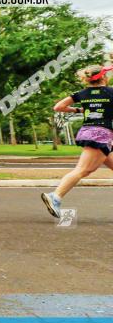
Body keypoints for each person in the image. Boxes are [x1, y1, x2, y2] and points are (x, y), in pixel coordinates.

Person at [42, 63, 113, 218]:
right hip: (101, 134)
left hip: (89, 132)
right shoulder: (110, 92)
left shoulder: (82, 93)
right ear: (103, 77)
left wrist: (79, 110)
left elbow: (58, 107)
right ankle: (55, 196)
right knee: (83, 170)